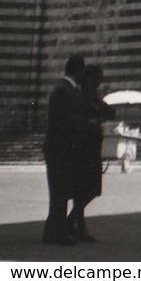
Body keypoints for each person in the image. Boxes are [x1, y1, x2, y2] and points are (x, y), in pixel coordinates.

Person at [43, 55, 88, 245]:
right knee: (59, 192)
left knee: (60, 191)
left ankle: (52, 231)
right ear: (78, 70)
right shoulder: (63, 90)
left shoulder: (67, 89)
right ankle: (56, 233)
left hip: (63, 147)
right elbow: (63, 121)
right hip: (60, 148)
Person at [67, 63, 110, 243]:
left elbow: (108, 110)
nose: (99, 82)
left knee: (89, 189)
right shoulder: (80, 95)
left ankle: (74, 224)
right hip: (83, 148)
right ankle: (73, 224)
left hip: (93, 146)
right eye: (97, 78)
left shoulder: (93, 95)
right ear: (89, 78)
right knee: (86, 189)